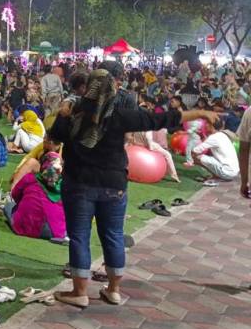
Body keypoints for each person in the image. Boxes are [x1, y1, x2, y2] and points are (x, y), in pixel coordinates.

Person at [50, 66, 218, 308]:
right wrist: (200, 113)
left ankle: (80, 292)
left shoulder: (74, 111)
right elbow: (160, 119)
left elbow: (55, 136)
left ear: (89, 87)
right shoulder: (120, 115)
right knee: (113, 235)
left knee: (79, 237)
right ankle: (113, 290)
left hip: (79, 184)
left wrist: (63, 113)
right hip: (114, 185)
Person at [4, 154, 67, 240]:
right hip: (54, 232)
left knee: (8, 206)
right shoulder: (65, 186)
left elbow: (15, 195)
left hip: (25, 228)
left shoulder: (30, 178)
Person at [190, 118, 240, 182]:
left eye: (207, 123)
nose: (205, 125)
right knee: (206, 157)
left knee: (197, 158)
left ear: (211, 125)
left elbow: (195, 151)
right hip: (233, 172)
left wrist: (188, 154)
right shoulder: (222, 135)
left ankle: (216, 176)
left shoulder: (214, 137)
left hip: (227, 173)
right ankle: (216, 175)